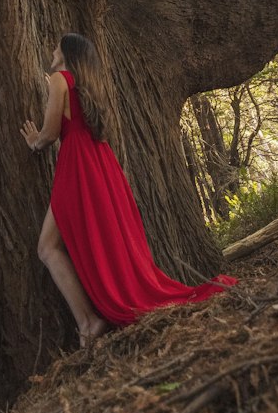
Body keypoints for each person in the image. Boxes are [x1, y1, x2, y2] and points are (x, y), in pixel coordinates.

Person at [21, 32, 236, 347]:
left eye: (56, 46)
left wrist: (34, 141)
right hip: (101, 166)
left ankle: (89, 322)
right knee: (55, 246)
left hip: (77, 167)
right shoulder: (89, 86)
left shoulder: (58, 80)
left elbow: (51, 133)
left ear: (67, 52)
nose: (52, 49)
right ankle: (89, 321)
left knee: (46, 248)